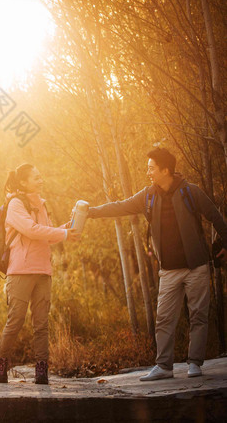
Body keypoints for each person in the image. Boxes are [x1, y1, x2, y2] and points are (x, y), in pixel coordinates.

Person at [86, 148, 227, 381]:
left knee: (198, 316)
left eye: (151, 168)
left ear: (166, 170)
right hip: (169, 270)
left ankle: (195, 363)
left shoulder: (191, 192)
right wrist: (90, 212)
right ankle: (164, 366)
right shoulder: (148, 195)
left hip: (197, 266)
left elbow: (215, 216)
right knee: (163, 318)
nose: (148, 172)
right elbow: (120, 206)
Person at [0, 164, 80, 385]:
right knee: (15, 322)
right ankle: (1, 366)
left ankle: (41, 372)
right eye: (36, 177)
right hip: (21, 271)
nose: (40, 180)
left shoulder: (41, 205)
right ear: (23, 182)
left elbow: (48, 236)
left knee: (42, 324)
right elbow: (31, 230)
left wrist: (66, 229)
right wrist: (62, 233)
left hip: (43, 270)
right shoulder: (15, 204)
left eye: (41, 176)